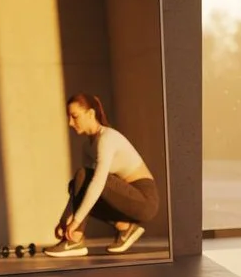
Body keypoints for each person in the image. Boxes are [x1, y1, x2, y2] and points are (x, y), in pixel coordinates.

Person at [45, 93, 160, 258]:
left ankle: (75, 239)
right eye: (68, 117)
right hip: (124, 198)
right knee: (78, 183)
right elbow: (81, 188)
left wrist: (75, 222)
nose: (70, 123)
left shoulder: (107, 138)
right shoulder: (87, 147)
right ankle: (124, 227)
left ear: (91, 114)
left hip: (144, 200)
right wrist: (65, 220)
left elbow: (97, 183)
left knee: (86, 178)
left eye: (74, 116)